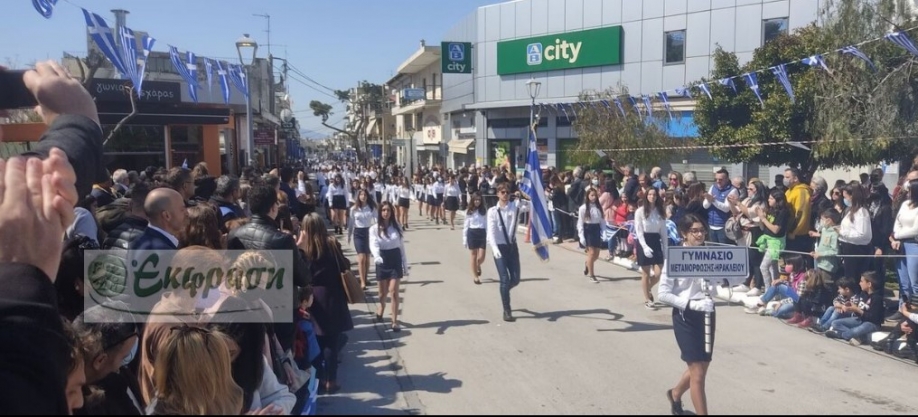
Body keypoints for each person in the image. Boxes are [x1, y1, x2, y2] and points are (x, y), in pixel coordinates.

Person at [658, 214, 717, 416]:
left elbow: (716, 284)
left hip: (707, 315)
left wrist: (720, 286)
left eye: (702, 230)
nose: (700, 234)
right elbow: (663, 293)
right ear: (684, 233)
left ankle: (675, 393)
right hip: (685, 316)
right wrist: (690, 304)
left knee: (702, 367)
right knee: (698, 374)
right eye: (695, 231)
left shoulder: (710, 255)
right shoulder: (674, 258)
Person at [297, 213, 354, 395]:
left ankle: (319, 380)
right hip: (332, 294)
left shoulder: (303, 250)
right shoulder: (331, 243)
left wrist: (298, 244)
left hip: (312, 297)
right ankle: (331, 381)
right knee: (332, 342)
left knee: (316, 342)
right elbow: (344, 264)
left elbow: (300, 274)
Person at [487, 183, 531, 322]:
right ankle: (507, 310)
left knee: (516, 279)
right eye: (502, 192)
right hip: (499, 247)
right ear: (498, 194)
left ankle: (504, 291)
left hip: (512, 247)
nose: (505, 194)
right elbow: (491, 233)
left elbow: (533, 206)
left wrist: (523, 196)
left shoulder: (515, 206)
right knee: (504, 279)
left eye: (507, 192)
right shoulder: (493, 211)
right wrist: (494, 249)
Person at [370, 201, 409, 332]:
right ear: (380, 212)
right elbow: (373, 245)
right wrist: (376, 256)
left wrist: (405, 264)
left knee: (393, 292)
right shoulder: (374, 229)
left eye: (388, 210)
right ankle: (381, 307)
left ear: (392, 212)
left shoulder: (397, 226)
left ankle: (394, 321)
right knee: (382, 294)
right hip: (382, 260)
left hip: (395, 260)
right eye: (383, 210)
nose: (386, 212)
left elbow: (401, 247)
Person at [635, 187, 668, 308]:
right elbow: (638, 231)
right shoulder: (640, 211)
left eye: (654, 195)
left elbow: (663, 232)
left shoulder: (660, 211)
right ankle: (647, 299)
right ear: (646, 196)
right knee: (646, 273)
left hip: (655, 240)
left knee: (659, 272)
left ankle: (647, 288)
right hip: (644, 240)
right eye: (650, 194)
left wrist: (666, 249)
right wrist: (644, 246)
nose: (652, 197)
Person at [348, 189, 377, 291]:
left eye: (365, 195)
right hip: (358, 233)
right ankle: (362, 281)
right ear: (358, 196)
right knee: (361, 257)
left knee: (367, 258)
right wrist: (349, 235)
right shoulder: (354, 209)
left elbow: (376, 220)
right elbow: (351, 223)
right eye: (361, 195)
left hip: (369, 233)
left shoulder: (371, 207)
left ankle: (365, 276)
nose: (363, 196)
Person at [578, 188, 604, 283]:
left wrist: (604, 231)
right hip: (588, 230)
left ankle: (587, 263)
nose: (593, 197)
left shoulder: (598, 207)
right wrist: (581, 236)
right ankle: (592, 275)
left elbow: (602, 221)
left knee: (596, 255)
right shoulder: (583, 208)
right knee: (592, 253)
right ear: (587, 196)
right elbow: (580, 222)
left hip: (596, 229)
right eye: (591, 195)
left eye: (595, 195)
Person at [464, 192, 488, 285]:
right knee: (473, 256)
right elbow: (466, 225)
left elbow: (486, 223)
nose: (477, 201)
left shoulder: (484, 210)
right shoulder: (469, 211)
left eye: (479, 200)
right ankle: (475, 277)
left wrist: (488, 235)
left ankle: (478, 265)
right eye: (476, 200)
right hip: (472, 233)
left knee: (482, 257)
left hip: (482, 232)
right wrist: (464, 238)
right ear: (473, 200)